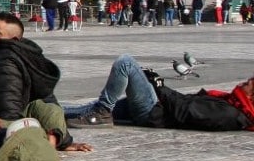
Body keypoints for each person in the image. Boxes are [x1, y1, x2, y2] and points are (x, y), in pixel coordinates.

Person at [64, 56, 254, 130]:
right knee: (85, 109)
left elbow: (183, 110)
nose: (244, 82)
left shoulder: (229, 113)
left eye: (248, 84)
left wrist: (158, 87)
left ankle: (102, 113)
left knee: (126, 64)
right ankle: (50, 113)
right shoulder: (230, 104)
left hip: (154, 111)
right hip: (157, 107)